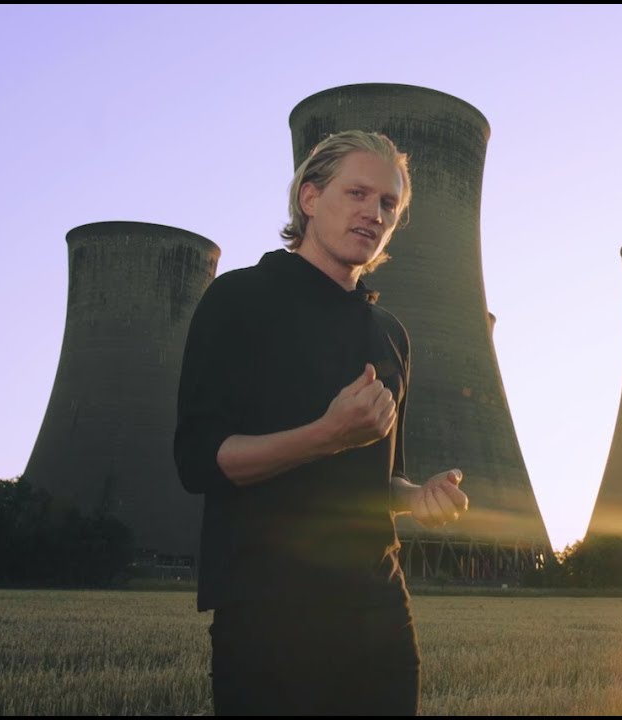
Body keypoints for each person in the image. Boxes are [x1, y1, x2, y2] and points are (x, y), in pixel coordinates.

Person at [174, 129, 470, 716]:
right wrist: (325, 436)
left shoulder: (389, 333)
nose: (374, 213)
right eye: (357, 193)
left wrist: (417, 497)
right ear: (309, 198)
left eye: (388, 204)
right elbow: (199, 462)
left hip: (379, 609)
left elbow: (381, 480)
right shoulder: (239, 300)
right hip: (269, 608)